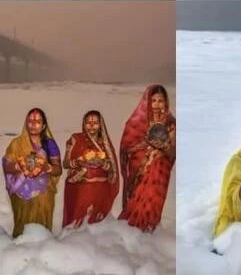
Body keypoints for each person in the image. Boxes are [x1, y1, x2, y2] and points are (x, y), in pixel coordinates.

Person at [118, 84, 176, 232]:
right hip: (139, 170)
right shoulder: (136, 122)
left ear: (166, 102)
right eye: (153, 100)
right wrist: (144, 148)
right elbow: (128, 148)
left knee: (153, 202)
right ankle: (131, 234)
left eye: (160, 101)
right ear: (147, 101)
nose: (156, 105)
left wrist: (162, 148)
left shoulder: (170, 122)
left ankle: (149, 234)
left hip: (159, 173)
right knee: (135, 205)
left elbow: (172, 152)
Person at [3, 108, 62, 236]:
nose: (33, 124)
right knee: (23, 226)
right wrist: (20, 166)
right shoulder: (16, 144)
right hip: (21, 191)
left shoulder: (49, 144)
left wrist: (47, 168)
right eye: (30, 121)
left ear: (44, 125)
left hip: (43, 192)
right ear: (26, 123)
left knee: (41, 227)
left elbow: (58, 170)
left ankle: (42, 247)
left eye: (38, 121)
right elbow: (6, 167)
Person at [62, 110, 120, 229]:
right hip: (80, 187)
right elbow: (65, 164)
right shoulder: (75, 139)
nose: (92, 126)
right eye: (88, 123)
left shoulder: (105, 144)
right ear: (84, 124)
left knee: (96, 225)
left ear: (101, 125)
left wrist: (106, 166)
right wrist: (78, 162)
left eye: (95, 123)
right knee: (78, 223)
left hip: (100, 189)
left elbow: (112, 170)